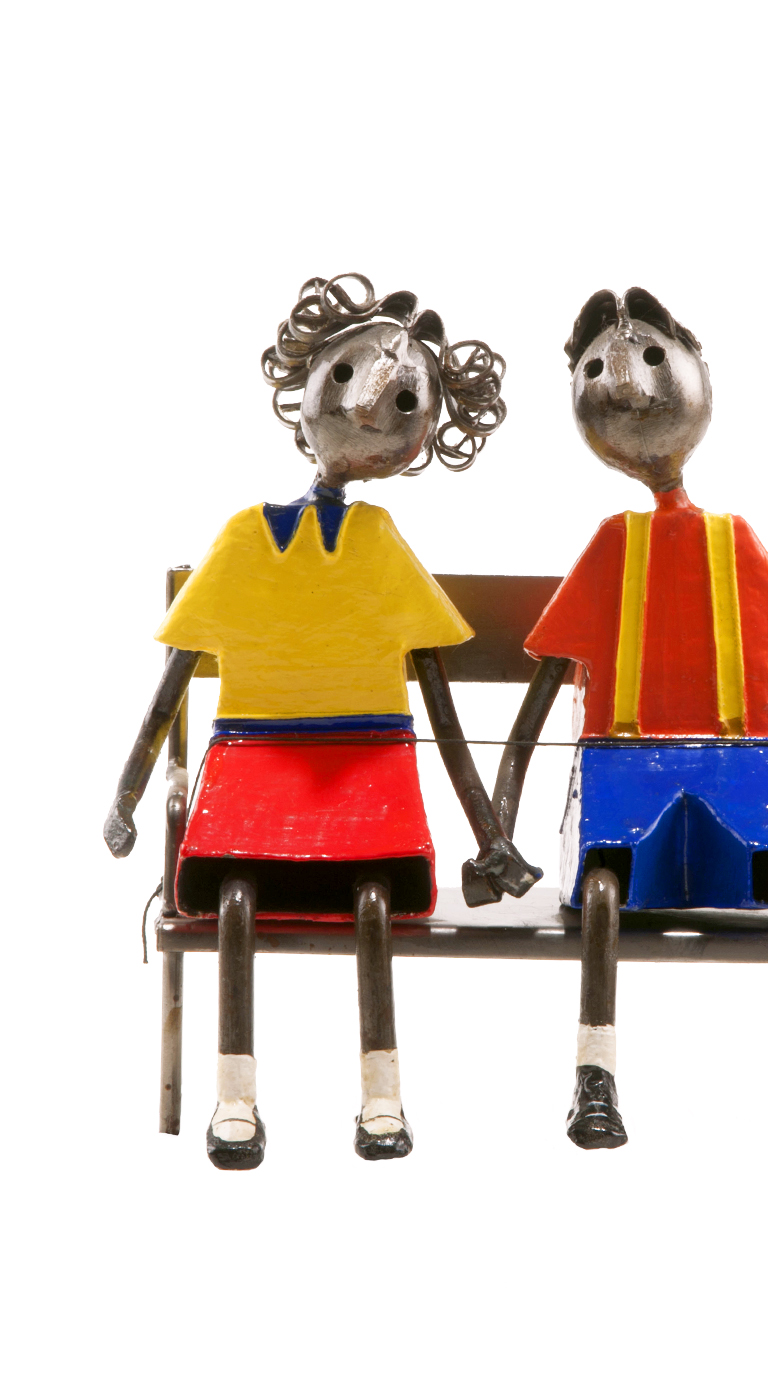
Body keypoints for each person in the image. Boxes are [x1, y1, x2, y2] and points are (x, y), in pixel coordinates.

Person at [105, 273, 540, 1169]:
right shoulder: (244, 537)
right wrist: (126, 795)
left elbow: (440, 708)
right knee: (233, 898)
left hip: (369, 763)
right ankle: (236, 1094)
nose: (371, 403)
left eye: (405, 400)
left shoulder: (378, 545)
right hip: (251, 761)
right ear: (306, 383)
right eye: (345, 374)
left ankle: (382, 1094)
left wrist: (491, 835)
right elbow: (173, 683)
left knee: (373, 900)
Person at [490, 287, 768, 1153]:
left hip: (741, 761)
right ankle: (594, 1078)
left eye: (653, 360)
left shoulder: (733, 541)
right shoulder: (613, 543)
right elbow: (537, 706)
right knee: (601, 891)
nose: (627, 381)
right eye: (600, 369)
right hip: (624, 763)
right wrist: (499, 824)